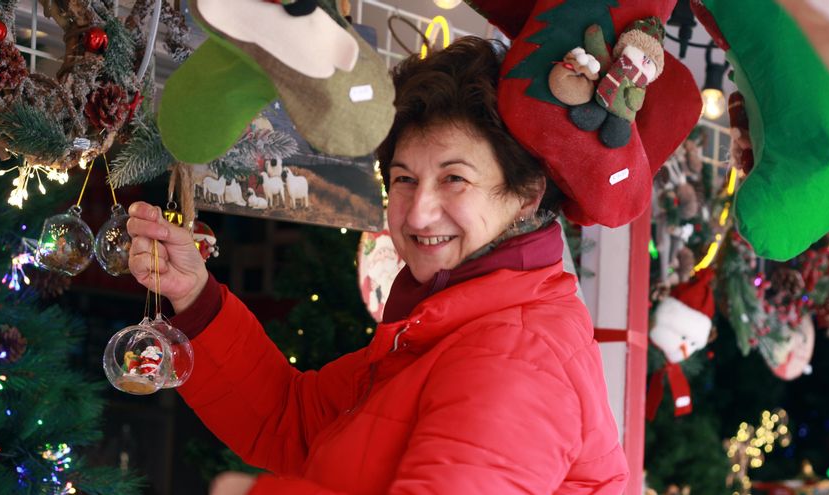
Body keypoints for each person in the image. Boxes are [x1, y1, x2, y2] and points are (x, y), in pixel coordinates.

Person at [127, 36, 628, 495]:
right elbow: (292, 422)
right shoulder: (446, 323)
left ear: (525, 196)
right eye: (405, 178)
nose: (418, 210)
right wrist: (196, 298)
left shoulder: (515, 354)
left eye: (454, 178)